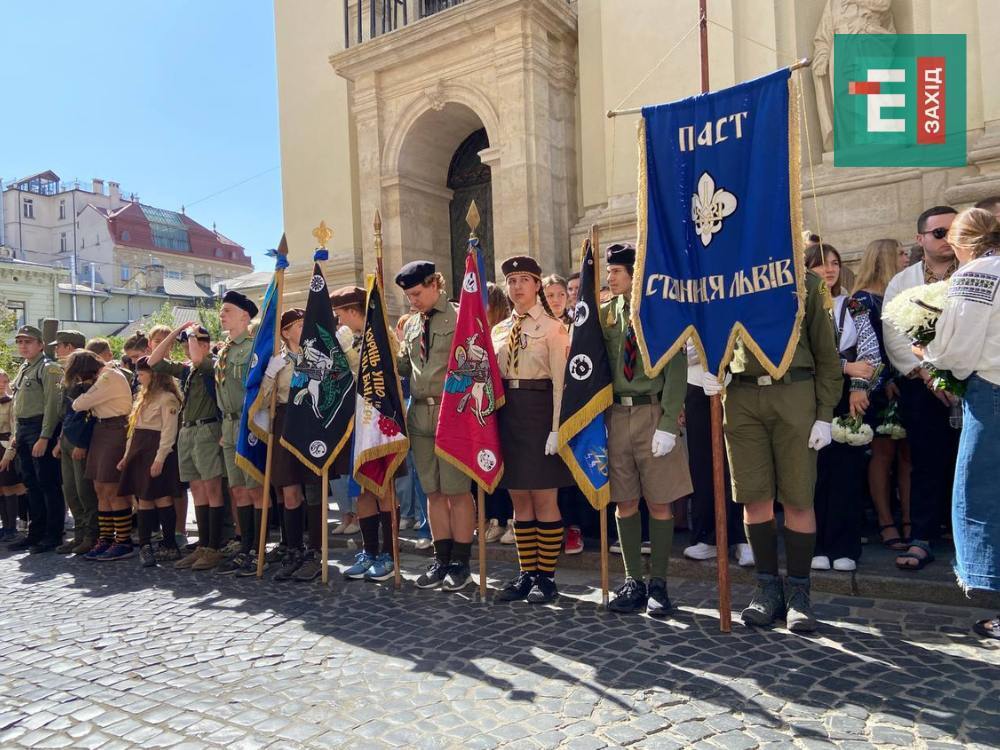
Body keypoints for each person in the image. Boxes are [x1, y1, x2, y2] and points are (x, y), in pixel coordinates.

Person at [704, 269, 841, 632]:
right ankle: (766, 588)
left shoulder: (808, 284)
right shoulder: (729, 280)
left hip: (794, 391)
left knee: (798, 498)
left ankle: (798, 593)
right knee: (754, 497)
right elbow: (712, 333)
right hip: (741, 395)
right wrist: (708, 367)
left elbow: (828, 356)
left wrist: (825, 414)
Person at [597, 243, 693, 615]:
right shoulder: (606, 315)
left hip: (652, 412)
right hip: (617, 415)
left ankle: (659, 584)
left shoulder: (661, 313)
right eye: (608, 272)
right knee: (624, 501)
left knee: (659, 501)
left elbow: (676, 370)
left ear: (635, 274)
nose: (610, 278)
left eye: (616, 272)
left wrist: (668, 422)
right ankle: (633, 580)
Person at [922, 207, 1000, 639]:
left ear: (959, 242)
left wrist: (929, 354)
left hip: (991, 391)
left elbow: (960, 351)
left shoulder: (976, 274)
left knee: (981, 494)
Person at [492, 255, 572, 604]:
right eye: (511, 281)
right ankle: (527, 573)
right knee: (519, 498)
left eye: (524, 280)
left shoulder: (554, 327)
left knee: (544, 497)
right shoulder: (499, 330)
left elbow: (561, 383)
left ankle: (547, 577)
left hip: (540, 413)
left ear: (538, 285)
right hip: (509, 415)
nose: (517, 287)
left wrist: (556, 428)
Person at [884, 206, 961, 572]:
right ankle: (923, 537)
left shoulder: (977, 272)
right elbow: (893, 333)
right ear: (921, 239)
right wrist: (929, 375)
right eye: (940, 233)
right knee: (926, 461)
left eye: (954, 231)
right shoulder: (903, 281)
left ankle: (970, 540)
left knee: (974, 464)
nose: (948, 239)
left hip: (974, 382)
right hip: (923, 385)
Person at [396, 260, 477, 591]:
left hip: (451, 411)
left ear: (434, 284)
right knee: (433, 491)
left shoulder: (459, 316)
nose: (412, 301)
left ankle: (461, 562)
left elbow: (474, 363)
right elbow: (405, 366)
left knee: (457, 491)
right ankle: (441, 558)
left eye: (417, 294)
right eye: (408, 297)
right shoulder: (412, 325)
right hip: (419, 415)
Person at [806, 243, 881, 572]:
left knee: (847, 473)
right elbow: (804, 355)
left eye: (834, 263)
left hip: (848, 396)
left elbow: (870, 352)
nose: (829, 269)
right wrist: (845, 367)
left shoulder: (854, 304)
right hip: (809, 395)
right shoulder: (799, 307)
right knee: (815, 473)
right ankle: (817, 544)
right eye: (820, 264)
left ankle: (845, 545)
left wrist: (859, 387)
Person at [331, 285, 400, 583]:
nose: (339, 321)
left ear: (353, 311)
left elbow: (381, 375)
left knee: (382, 488)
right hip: (356, 423)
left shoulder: (383, 336)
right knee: (361, 490)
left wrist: (349, 352)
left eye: (340, 314)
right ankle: (369, 551)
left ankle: (389, 554)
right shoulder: (349, 339)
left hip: (380, 423)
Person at [851, 238, 912, 551]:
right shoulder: (861, 299)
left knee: (907, 455)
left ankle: (910, 521)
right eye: (900, 252)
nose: (906, 256)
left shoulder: (900, 294)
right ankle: (886, 522)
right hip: (878, 385)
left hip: (907, 381)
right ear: (885, 258)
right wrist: (884, 379)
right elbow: (866, 346)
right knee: (883, 453)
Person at [150, 323, 225, 571]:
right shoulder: (188, 370)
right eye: (183, 345)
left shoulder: (212, 363)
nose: (185, 349)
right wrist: (177, 332)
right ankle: (203, 545)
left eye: (190, 343)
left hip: (207, 428)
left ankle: (214, 547)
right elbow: (154, 361)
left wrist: (192, 334)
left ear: (205, 344)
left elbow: (199, 359)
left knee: (212, 489)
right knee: (197, 489)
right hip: (188, 430)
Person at [260, 308, 326, 582]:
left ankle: (316, 552)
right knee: (289, 492)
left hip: (311, 421)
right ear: (285, 332)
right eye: (298, 325)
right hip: (286, 421)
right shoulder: (277, 361)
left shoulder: (317, 354)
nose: (304, 328)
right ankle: (294, 550)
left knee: (314, 490)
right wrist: (269, 375)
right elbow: (263, 401)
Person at [683, 341, 752, 567]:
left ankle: (743, 537)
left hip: (737, 380)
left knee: (740, 462)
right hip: (696, 381)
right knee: (702, 464)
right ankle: (708, 536)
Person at [212, 291, 266, 577]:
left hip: (249, 423)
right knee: (238, 489)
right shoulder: (224, 350)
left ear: (245, 317)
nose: (222, 315)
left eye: (228, 310)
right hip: (229, 426)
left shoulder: (253, 347)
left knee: (255, 488)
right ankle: (246, 545)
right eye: (222, 310)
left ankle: (259, 548)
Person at [67, 350, 136, 561]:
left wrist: (85, 390)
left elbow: (79, 404)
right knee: (100, 488)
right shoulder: (104, 376)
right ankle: (106, 539)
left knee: (112, 488)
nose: (80, 380)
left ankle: (123, 541)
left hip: (115, 429)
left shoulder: (108, 376)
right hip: (101, 429)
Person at [116, 357, 184, 567]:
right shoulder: (143, 397)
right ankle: (145, 546)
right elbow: (133, 431)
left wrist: (160, 458)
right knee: (143, 499)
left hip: (156, 451)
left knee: (162, 498)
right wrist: (127, 456)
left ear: (154, 375)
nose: (138, 377)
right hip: (140, 451)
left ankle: (169, 544)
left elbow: (169, 431)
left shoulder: (167, 398)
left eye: (142, 373)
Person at [3, 326, 63, 553]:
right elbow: (18, 405)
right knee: (30, 483)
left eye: (28, 342)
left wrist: (45, 436)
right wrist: (17, 435)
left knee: (48, 483)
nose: (23, 346)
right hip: (25, 429)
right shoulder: (25, 368)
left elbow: (52, 405)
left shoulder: (48, 368)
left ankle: (53, 535)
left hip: (41, 427)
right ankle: (35, 533)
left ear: (40, 345)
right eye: (20, 342)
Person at [49, 329, 100, 554]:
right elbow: (68, 414)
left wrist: (82, 444)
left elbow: (90, 416)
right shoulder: (72, 380)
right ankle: (79, 535)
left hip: (81, 441)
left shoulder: (91, 382)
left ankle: (91, 535)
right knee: (70, 491)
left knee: (84, 492)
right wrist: (60, 440)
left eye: (59, 346)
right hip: (68, 438)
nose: (56, 351)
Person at [147, 324, 189, 549]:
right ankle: (160, 530)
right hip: (151, 435)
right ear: (150, 343)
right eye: (159, 341)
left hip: (176, 433)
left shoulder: (180, 369)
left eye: (171, 343)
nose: (166, 347)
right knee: (155, 486)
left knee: (177, 486)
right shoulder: (146, 367)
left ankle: (179, 530)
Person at [484, 282, 515, 545]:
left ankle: (512, 519)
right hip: (485, 406)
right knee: (488, 459)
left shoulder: (504, 330)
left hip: (509, 403)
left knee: (510, 465)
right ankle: (494, 518)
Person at [0, 371, 27, 541]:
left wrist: (8, 455)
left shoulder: (11, 402)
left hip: (5, 447)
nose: (2, 385)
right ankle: (5, 526)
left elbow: (15, 430)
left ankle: (12, 528)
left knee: (9, 487)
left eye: (5, 381)